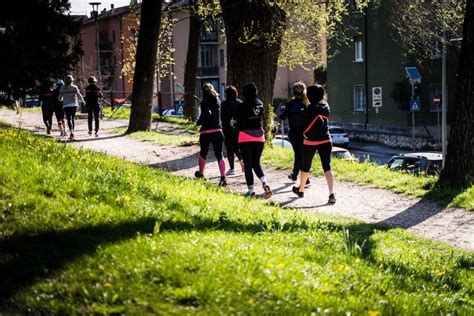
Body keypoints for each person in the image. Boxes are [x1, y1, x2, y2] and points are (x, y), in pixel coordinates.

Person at [292, 84, 335, 204]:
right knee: (327, 166)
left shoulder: (310, 108)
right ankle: (331, 194)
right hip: (326, 139)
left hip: (310, 140)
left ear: (310, 95)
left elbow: (305, 123)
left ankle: (301, 190)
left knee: (306, 166)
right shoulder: (326, 106)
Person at [236, 82, 272, 198]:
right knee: (256, 163)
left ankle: (251, 191)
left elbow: (240, 123)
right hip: (259, 137)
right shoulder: (260, 104)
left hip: (246, 137)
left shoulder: (243, 105)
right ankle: (264, 182)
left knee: (248, 164)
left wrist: (234, 124)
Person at [195, 83, 227, 187]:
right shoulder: (217, 100)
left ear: (203, 92)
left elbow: (205, 115)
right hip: (218, 131)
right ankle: (223, 178)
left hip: (206, 132)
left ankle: (201, 173)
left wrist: (198, 122)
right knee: (219, 155)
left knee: (203, 153)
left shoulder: (204, 102)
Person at [279, 81, 309, 182]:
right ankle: (298, 176)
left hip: (294, 133)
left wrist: (282, 111)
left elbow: (282, 117)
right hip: (305, 133)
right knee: (301, 154)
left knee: (299, 154)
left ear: (294, 92)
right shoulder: (307, 104)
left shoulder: (290, 104)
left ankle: (301, 177)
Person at [221, 85, 244, 175]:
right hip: (238, 129)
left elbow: (222, 117)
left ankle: (232, 169)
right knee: (237, 147)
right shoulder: (240, 103)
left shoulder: (224, 104)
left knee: (230, 148)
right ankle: (243, 161)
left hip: (227, 129)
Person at [58, 75, 85, 140]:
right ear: (72, 80)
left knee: (68, 119)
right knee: (72, 118)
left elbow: (59, 98)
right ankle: (72, 131)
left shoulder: (62, 88)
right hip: (74, 105)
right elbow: (79, 95)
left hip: (66, 105)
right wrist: (83, 101)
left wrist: (62, 99)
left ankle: (71, 131)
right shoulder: (74, 87)